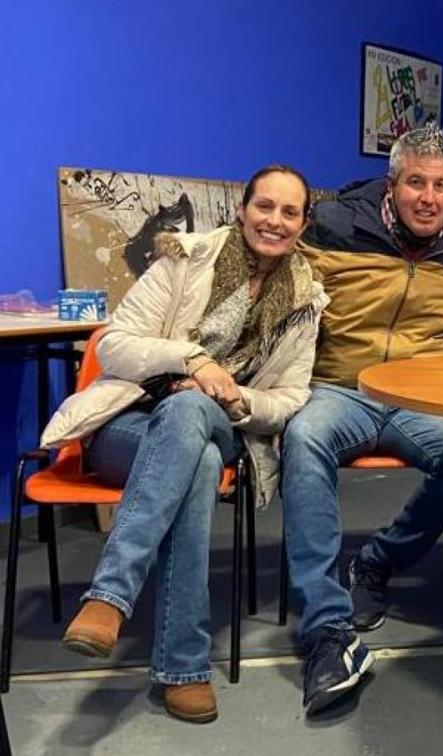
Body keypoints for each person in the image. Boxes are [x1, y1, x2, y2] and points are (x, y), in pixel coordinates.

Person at [46, 165, 327, 723]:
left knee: (192, 411)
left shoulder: (306, 300)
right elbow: (115, 345)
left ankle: (110, 597)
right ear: (242, 210)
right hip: (127, 422)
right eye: (264, 206)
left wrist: (236, 397)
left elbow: (292, 396)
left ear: (302, 224)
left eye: (289, 212)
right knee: (196, 459)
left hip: (225, 421)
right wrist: (192, 361)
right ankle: (182, 668)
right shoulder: (185, 259)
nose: (274, 221)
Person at [280, 123, 443, 714]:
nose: (429, 198)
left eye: (441, 186)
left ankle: (376, 564)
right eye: (416, 183)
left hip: (424, 398)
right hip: (340, 388)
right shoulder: (332, 229)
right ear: (392, 184)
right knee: (303, 437)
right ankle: (327, 629)